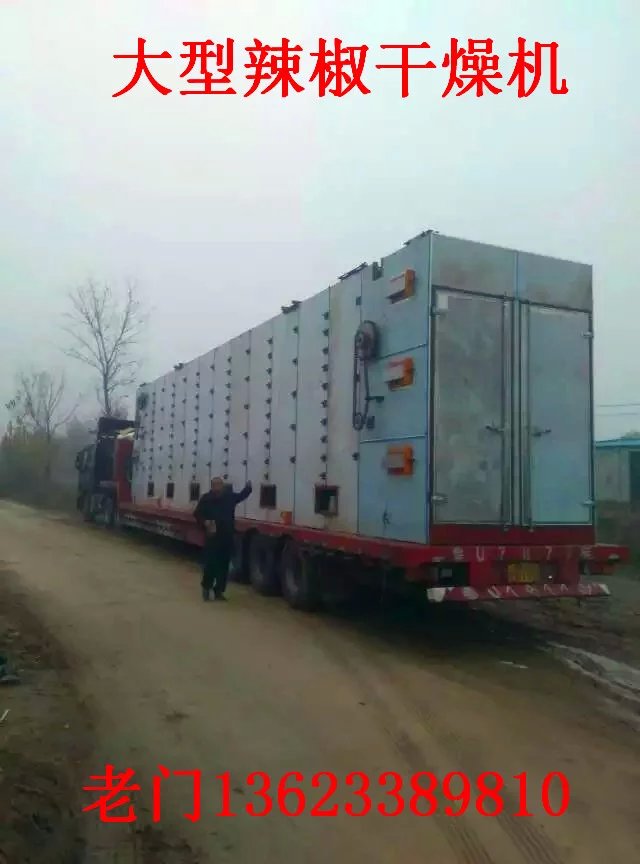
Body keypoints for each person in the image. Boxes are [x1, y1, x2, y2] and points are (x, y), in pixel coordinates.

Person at [193, 477, 253, 601]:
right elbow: (197, 513)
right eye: (215, 485)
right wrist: (205, 522)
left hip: (226, 537)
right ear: (212, 486)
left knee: (223, 566)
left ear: (222, 486)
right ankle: (206, 588)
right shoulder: (206, 499)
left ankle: (219, 591)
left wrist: (248, 488)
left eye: (220, 484)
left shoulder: (229, 497)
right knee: (211, 565)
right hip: (212, 537)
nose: (218, 487)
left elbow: (241, 496)